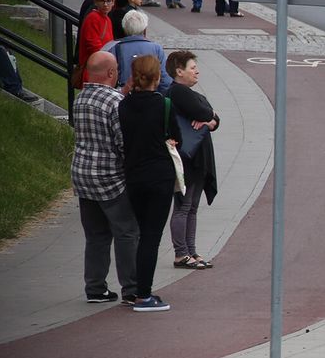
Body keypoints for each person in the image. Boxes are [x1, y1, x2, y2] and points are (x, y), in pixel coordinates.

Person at [71, 50, 139, 305]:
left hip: (82, 175)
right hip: (110, 178)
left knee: (96, 235)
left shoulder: (81, 99)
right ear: (111, 73)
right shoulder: (115, 102)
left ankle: (95, 287)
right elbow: (122, 142)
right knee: (126, 232)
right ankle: (131, 288)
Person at [118, 55, 180, 312]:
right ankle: (143, 294)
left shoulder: (124, 105)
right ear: (157, 77)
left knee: (139, 233)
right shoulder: (164, 105)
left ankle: (132, 290)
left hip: (133, 175)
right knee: (151, 237)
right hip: (159, 176)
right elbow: (176, 137)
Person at [166, 50, 220, 269]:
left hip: (197, 157)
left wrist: (210, 120)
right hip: (186, 159)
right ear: (179, 72)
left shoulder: (187, 92)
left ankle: (191, 250)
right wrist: (210, 118)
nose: (197, 71)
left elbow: (213, 117)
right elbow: (206, 111)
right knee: (183, 206)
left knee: (192, 207)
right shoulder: (178, 92)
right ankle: (181, 254)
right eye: (192, 67)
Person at [103, 10, 173, 93]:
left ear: (124, 28)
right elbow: (165, 80)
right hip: (150, 95)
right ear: (144, 29)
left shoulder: (113, 47)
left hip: (123, 96)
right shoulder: (156, 48)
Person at [77, 0, 115, 78]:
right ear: (96, 2)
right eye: (102, 1)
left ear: (113, 3)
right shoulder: (93, 18)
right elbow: (93, 45)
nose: (105, 4)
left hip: (103, 66)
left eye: (108, 1)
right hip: (93, 69)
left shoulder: (107, 19)